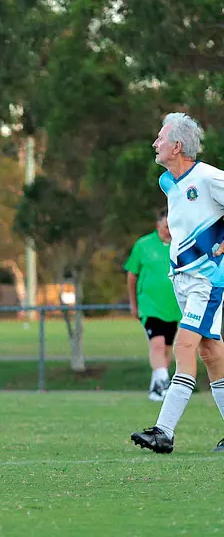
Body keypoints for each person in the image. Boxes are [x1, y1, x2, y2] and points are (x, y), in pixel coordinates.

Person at [131, 113, 224, 454]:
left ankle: (164, 431)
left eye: (160, 138)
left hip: (207, 281)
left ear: (177, 145)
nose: (155, 144)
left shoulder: (209, 177)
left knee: (183, 347)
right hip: (183, 281)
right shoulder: (168, 182)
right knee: (211, 353)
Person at [125, 209, 181, 401]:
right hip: (149, 305)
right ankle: (164, 384)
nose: (169, 231)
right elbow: (132, 275)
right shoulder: (143, 245)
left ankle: (155, 388)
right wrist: (134, 304)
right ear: (158, 225)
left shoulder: (180, 245)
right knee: (156, 345)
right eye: (166, 226)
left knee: (166, 348)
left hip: (173, 307)